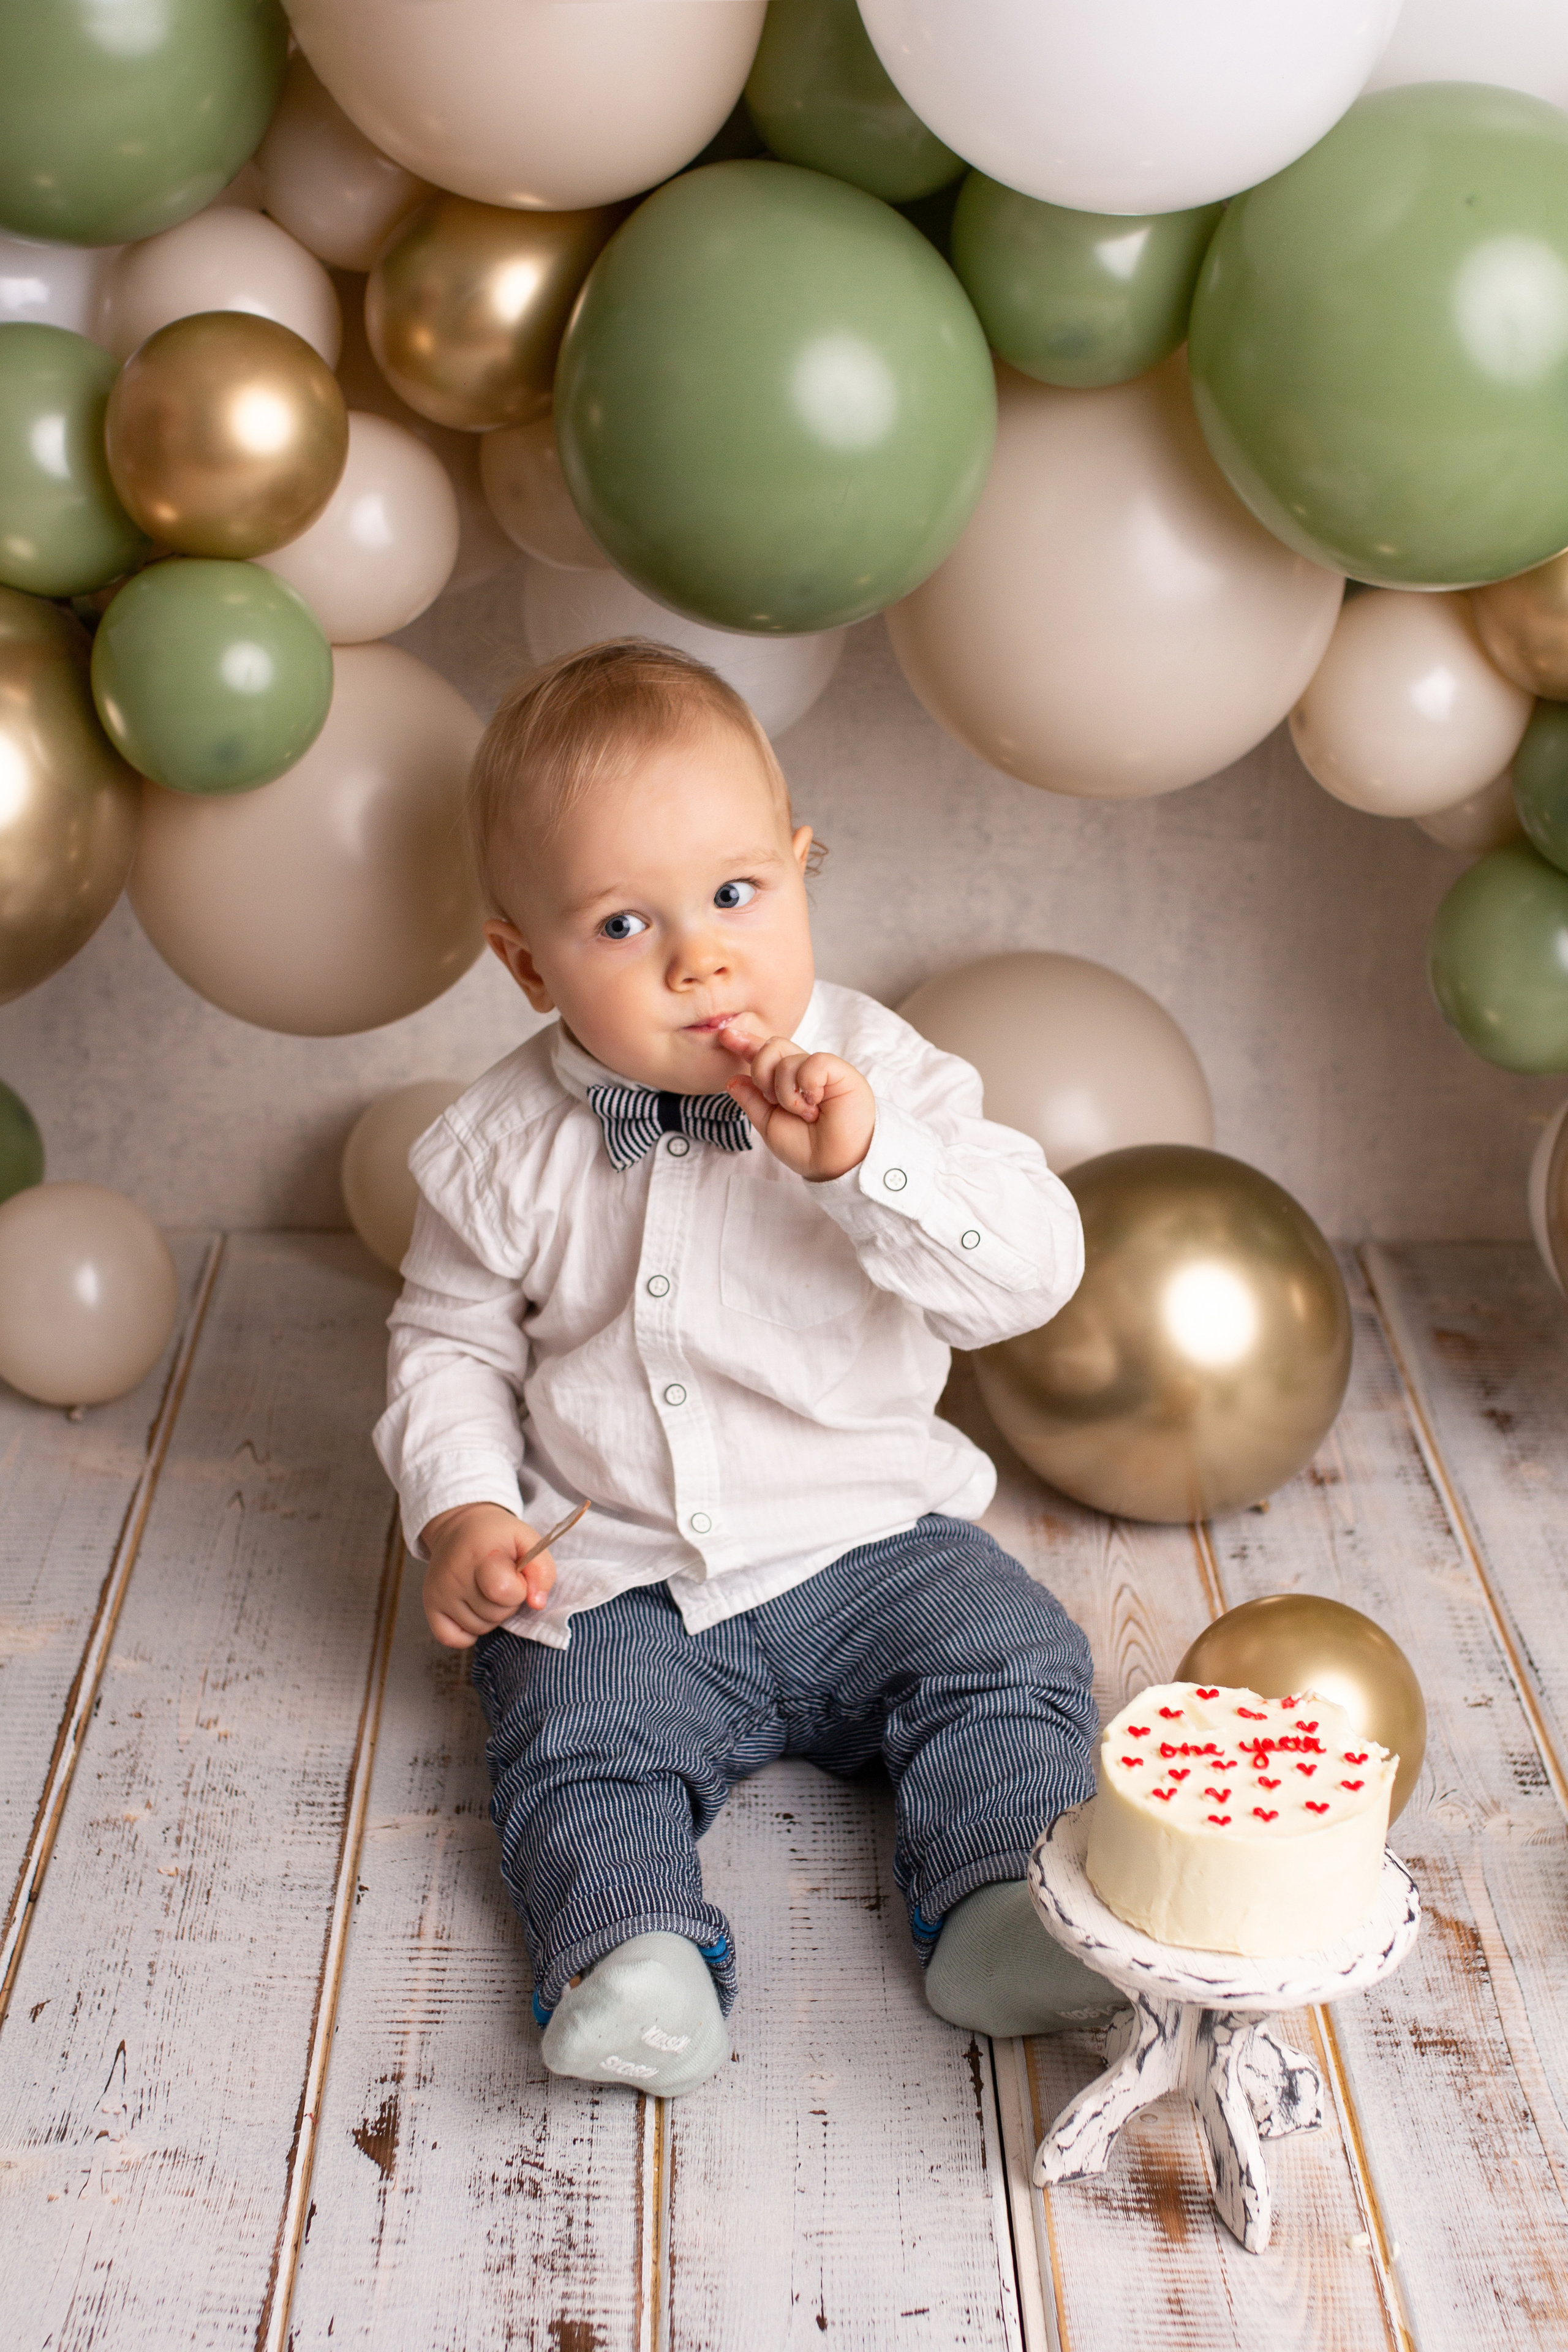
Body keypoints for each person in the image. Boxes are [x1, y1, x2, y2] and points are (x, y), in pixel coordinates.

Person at [374, 638, 1112, 2098]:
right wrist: (463, 1507)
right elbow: (446, 1343)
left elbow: (1028, 1274)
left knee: (1011, 1659)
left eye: (733, 896)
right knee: (567, 1742)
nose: (700, 958)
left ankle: (1000, 1901)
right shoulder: (497, 1147)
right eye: (621, 925)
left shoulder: (882, 1077)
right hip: (623, 1573)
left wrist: (869, 1165)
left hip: (868, 1537)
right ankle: (634, 1956)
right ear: (524, 962)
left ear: (797, 864)